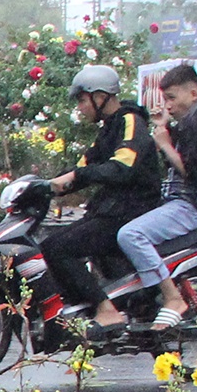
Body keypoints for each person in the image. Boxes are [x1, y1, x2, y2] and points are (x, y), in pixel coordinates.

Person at [40, 64, 164, 341]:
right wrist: (45, 187)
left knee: (57, 248)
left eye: (83, 100)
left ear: (100, 96)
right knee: (56, 243)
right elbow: (85, 166)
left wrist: (76, 175)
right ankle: (91, 311)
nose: (81, 108)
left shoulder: (131, 121)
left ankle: (105, 310)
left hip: (130, 212)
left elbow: (122, 167)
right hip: (111, 211)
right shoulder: (109, 128)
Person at [119, 62, 197, 327]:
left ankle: (171, 296)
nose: (168, 105)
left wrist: (164, 144)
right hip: (175, 203)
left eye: (172, 98)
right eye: (165, 99)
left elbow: (196, 173)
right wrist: (166, 129)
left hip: (189, 207)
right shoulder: (192, 123)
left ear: (194, 93)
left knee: (130, 234)